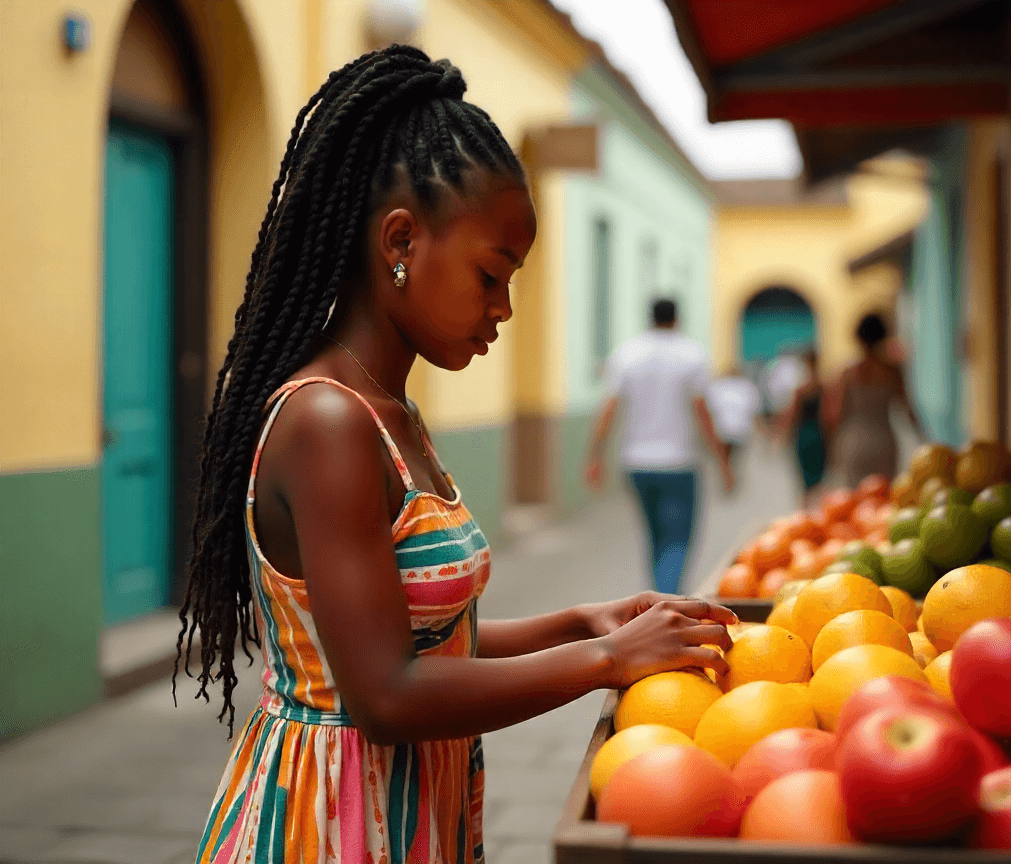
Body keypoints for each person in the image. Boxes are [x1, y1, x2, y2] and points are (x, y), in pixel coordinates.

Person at [175, 46, 735, 864]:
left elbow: (434, 641)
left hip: (408, 811)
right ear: (401, 239)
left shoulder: (392, 411)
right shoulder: (329, 421)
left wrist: (584, 621)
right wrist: (606, 659)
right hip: (333, 825)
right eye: (491, 273)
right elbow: (388, 694)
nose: (504, 307)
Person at [585, 298, 735, 596]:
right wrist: (723, 462)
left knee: (654, 538)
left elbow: (609, 409)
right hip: (679, 464)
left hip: (636, 464)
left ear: (649, 318)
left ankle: (656, 602)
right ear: (677, 319)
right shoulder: (691, 354)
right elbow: (703, 413)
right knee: (677, 541)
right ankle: (667, 604)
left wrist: (595, 457)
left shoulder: (627, 354)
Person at [823, 313, 924, 487]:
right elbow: (907, 409)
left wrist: (831, 449)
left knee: (854, 501)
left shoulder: (848, 374)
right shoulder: (891, 371)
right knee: (882, 496)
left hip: (853, 441)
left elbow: (834, 415)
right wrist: (923, 437)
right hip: (884, 442)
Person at [774, 349, 827, 507]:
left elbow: (791, 415)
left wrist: (781, 434)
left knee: (805, 481)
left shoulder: (801, 389)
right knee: (818, 480)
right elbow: (830, 416)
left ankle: (805, 514)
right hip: (819, 435)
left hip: (804, 435)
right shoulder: (824, 387)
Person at [706, 363, 763, 478]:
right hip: (739, 428)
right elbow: (755, 410)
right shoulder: (747, 386)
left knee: (726, 457)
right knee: (732, 457)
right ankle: (729, 474)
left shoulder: (718, 386)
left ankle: (727, 474)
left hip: (723, 428)